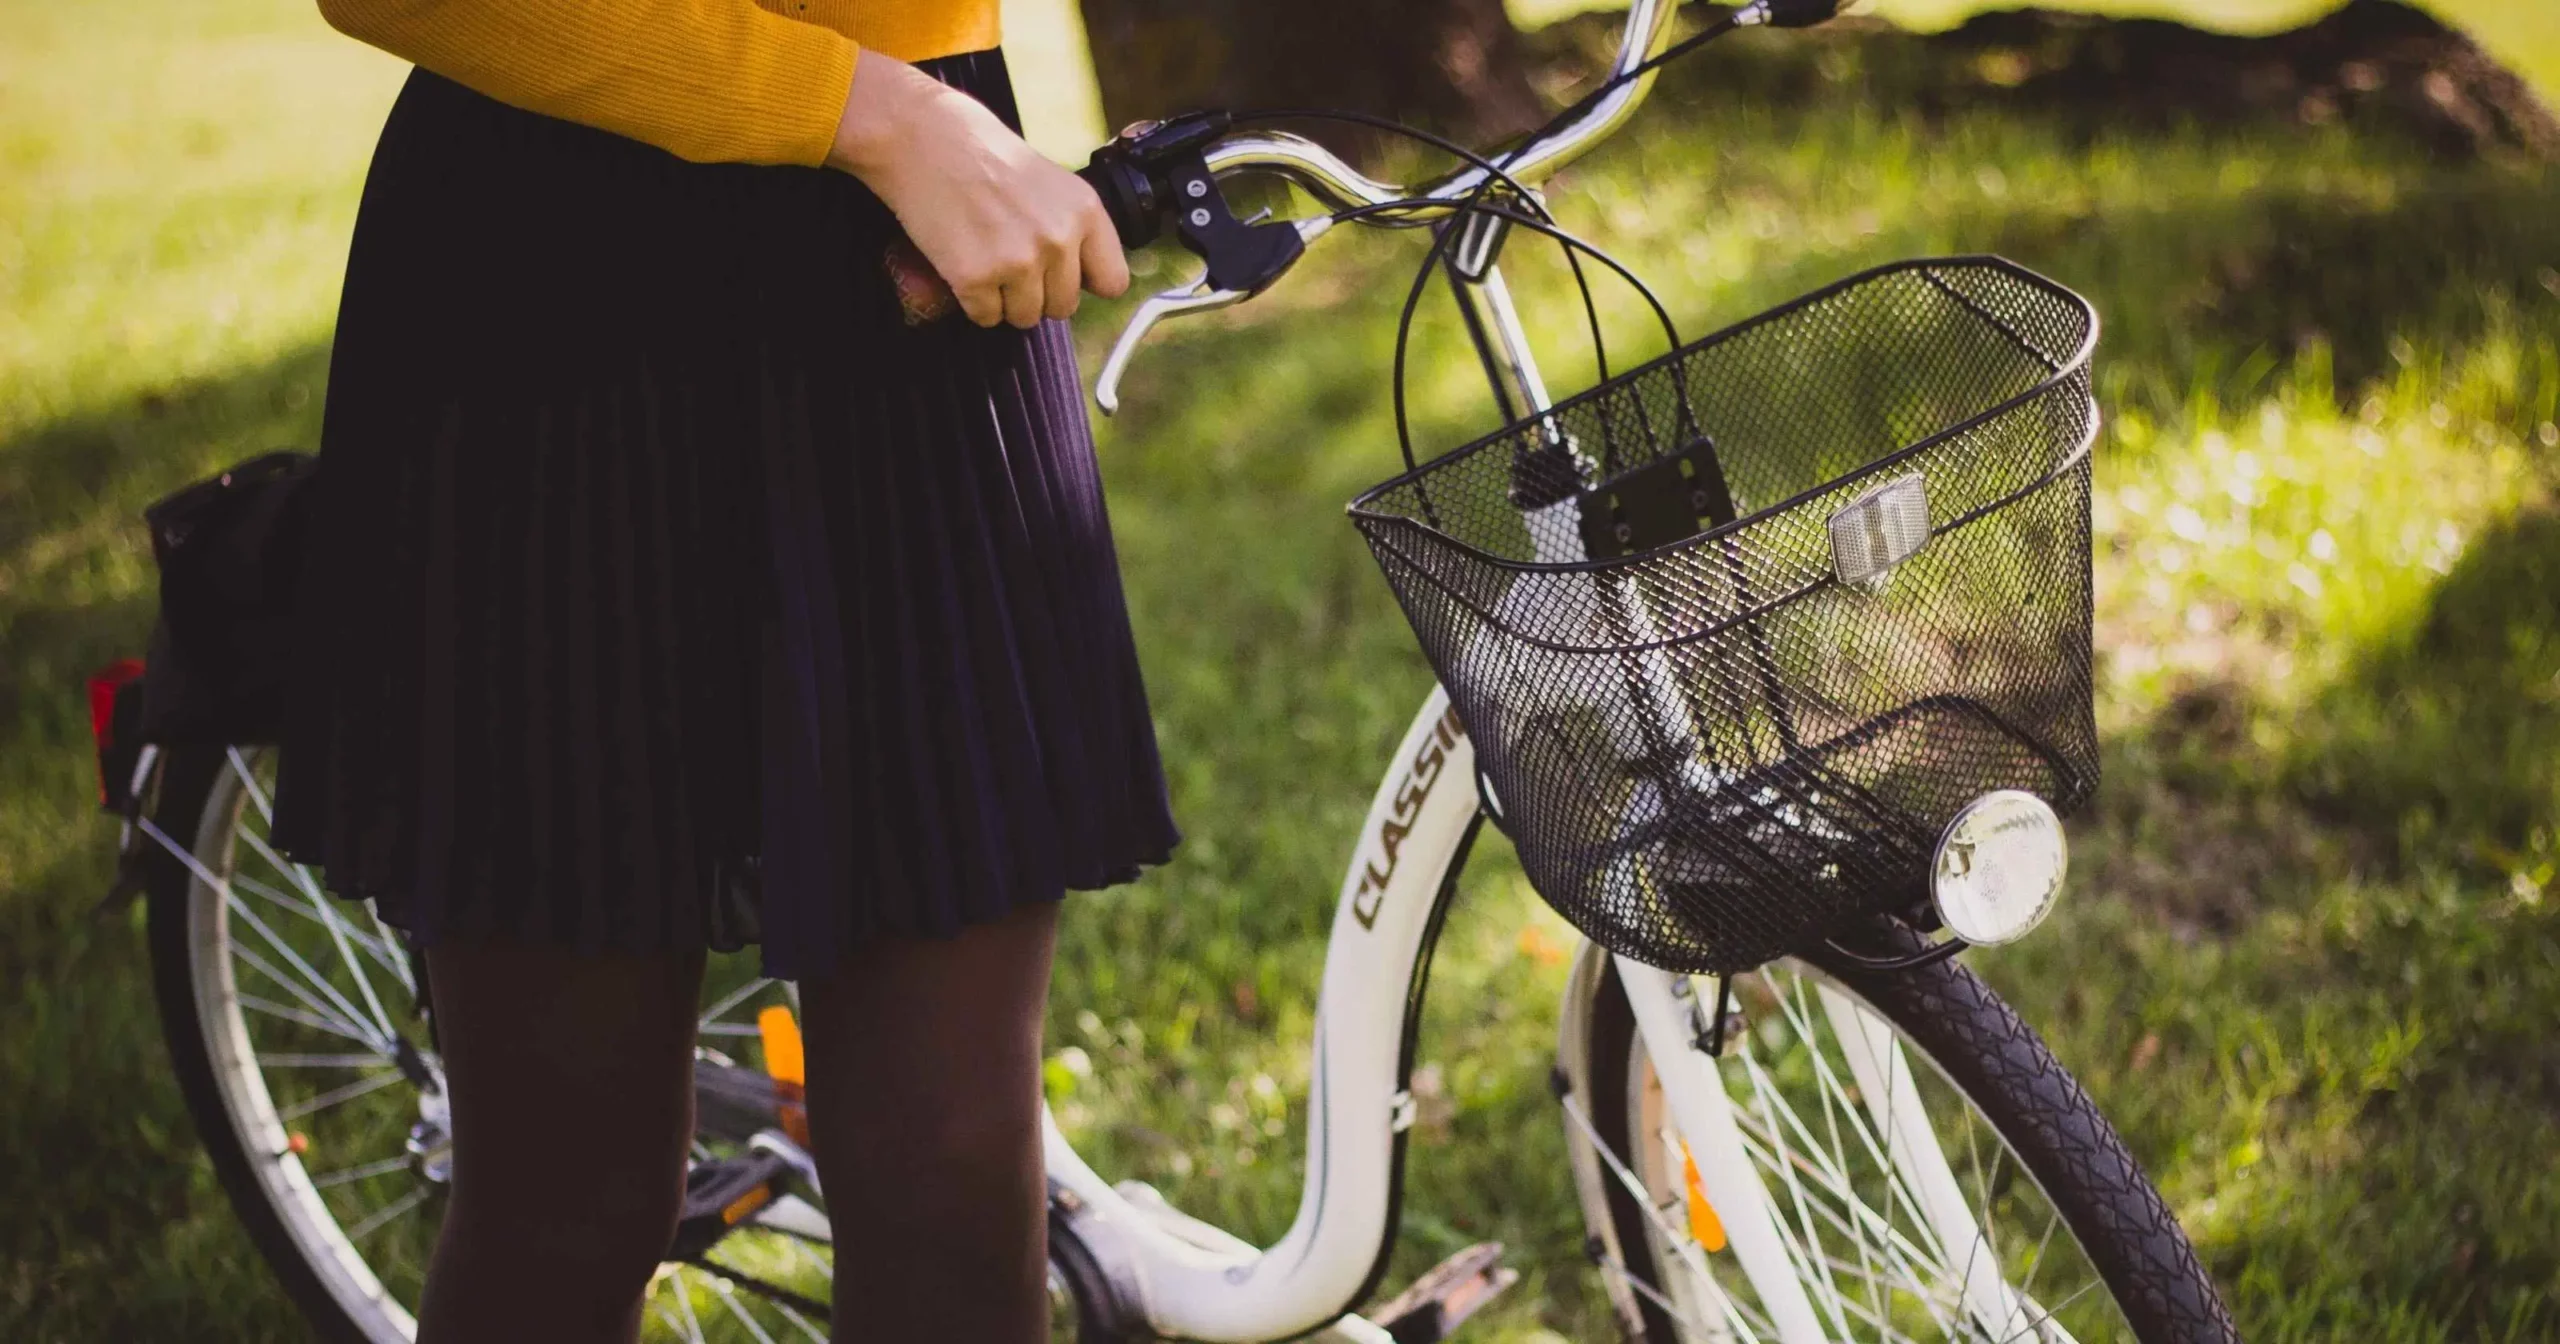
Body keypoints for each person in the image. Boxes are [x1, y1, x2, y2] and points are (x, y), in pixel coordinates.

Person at [267, 0, 1182, 1338]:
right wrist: (883, 118)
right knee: (571, 1190)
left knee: (957, 1169)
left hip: (924, 266)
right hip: (558, 285)